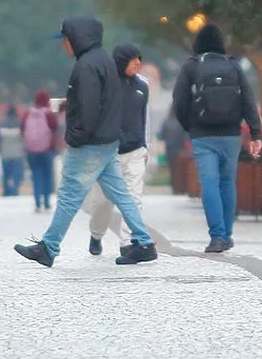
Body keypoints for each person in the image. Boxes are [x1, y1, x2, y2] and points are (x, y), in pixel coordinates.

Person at [13, 17, 158, 267]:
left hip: (90, 142)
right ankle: (144, 242)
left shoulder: (87, 66)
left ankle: (48, 247)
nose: (64, 46)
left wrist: (75, 138)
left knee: (70, 195)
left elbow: (89, 107)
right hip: (108, 139)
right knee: (122, 194)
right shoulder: (103, 60)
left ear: (77, 39)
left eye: (66, 40)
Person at [173, 23, 262, 253]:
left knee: (209, 183)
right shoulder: (232, 65)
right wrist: (255, 132)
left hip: (203, 135)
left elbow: (179, 101)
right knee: (227, 182)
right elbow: (247, 99)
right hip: (231, 134)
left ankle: (217, 236)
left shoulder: (192, 66)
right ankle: (227, 234)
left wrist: (190, 126)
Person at [86, 43, 149, 256]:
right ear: (122, 61)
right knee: (102, 203)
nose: (138, 63)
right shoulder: (104, 85)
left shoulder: (143, 86)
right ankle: (96, 234)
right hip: (108, 153)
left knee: (134, 199)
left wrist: (145, 145)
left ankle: (127, 243)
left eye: (140, 59)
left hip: (135, 152)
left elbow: (144, 118)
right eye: (134, 59)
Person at [22, 90, 59, 212]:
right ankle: (47, 202)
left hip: (32, 150)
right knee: (48, 176)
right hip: (47, 149)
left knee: (36, 175)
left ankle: (37, 202)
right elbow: (55, 128)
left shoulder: (28, 113)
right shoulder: (49, 114)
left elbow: (22, 128)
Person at [0, 106, 26, 197]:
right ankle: (15, 190)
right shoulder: (20, 124)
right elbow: (25, 138)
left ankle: (6, 192)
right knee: (16, 175)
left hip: (5, 154)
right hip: (17, 154)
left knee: (6, 175)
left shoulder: (2, 124)